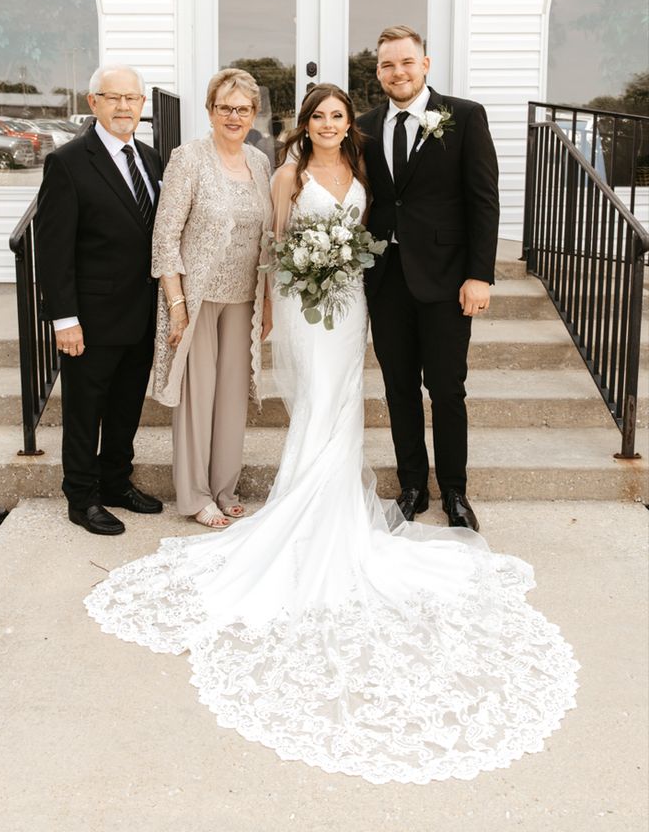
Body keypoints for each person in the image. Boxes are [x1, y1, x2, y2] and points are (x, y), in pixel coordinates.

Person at [85, 82, 578, 786]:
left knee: (347, 402)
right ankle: (294, 503)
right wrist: (281, 296)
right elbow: (274, 243)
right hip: (303, 304)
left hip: (349, 306)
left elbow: (380, 228)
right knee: (317, 401)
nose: (326, 123)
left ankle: (338, 501)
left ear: (350, 123)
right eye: (316, 114)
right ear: (303, 124)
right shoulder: (285, 173)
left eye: (337, 115)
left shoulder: (364, 170)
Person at [357, 25, 500, 532]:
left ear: (426, 64)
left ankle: (455, 491)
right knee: (398, 388)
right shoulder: (365, 126)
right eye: (387, 65)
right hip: (387, 279)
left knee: (446, 388)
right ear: (378, 72)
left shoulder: (463, 116)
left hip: (445, 279)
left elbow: (483, 199)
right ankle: (412, 486)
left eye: (406, 62)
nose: (397, 72)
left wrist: (479, 275)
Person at [35, 65, 164, 535]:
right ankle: (82, 497)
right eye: (114, 98)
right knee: (86, 411)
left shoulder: (151, 159)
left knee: (127, 405)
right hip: (90, 317)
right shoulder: (68, 162)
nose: (125, 107)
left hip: (142, 313)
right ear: (94, 103)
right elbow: (53, 250)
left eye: (133, 98)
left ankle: (116, 482)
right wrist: (64, 319)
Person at [151, 68, 273, 529]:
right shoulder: (188, 159)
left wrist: (265, 301)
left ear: (254, 114)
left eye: (243, 109)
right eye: (226, 107)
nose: (234, 116)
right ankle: (195, 495)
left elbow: (266, 239)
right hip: (197, 298)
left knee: (231, 399)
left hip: (243, 297)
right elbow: (165, 237)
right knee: (197, 397)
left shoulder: (260, 163)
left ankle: (224, 487)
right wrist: (177, 304)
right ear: (210, 111)